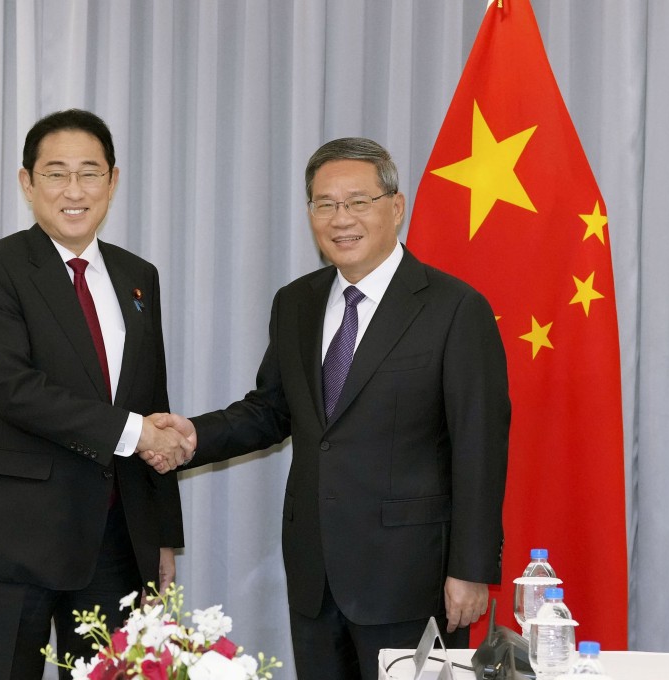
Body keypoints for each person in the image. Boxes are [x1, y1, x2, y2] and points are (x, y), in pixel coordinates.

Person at [146, 137, 510, 679]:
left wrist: (470, 570)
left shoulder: (454, 308)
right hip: (315, 575)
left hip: (412, 578)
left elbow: (479, 447)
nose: (341, 219)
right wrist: (192, 435)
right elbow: (272, 410)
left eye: (359, 202)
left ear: (396, 207)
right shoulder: (296, 303)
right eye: (325, 204)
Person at [0, 108, 194, 680]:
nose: (74, 190)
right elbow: (12, 389)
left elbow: (152, 398)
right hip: (18, 535)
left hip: (115, 539)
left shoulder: (139, 276)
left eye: (90, 173)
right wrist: (135, 433)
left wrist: (162, 535)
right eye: (56, 174)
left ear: (113, 180)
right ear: (27, 182)